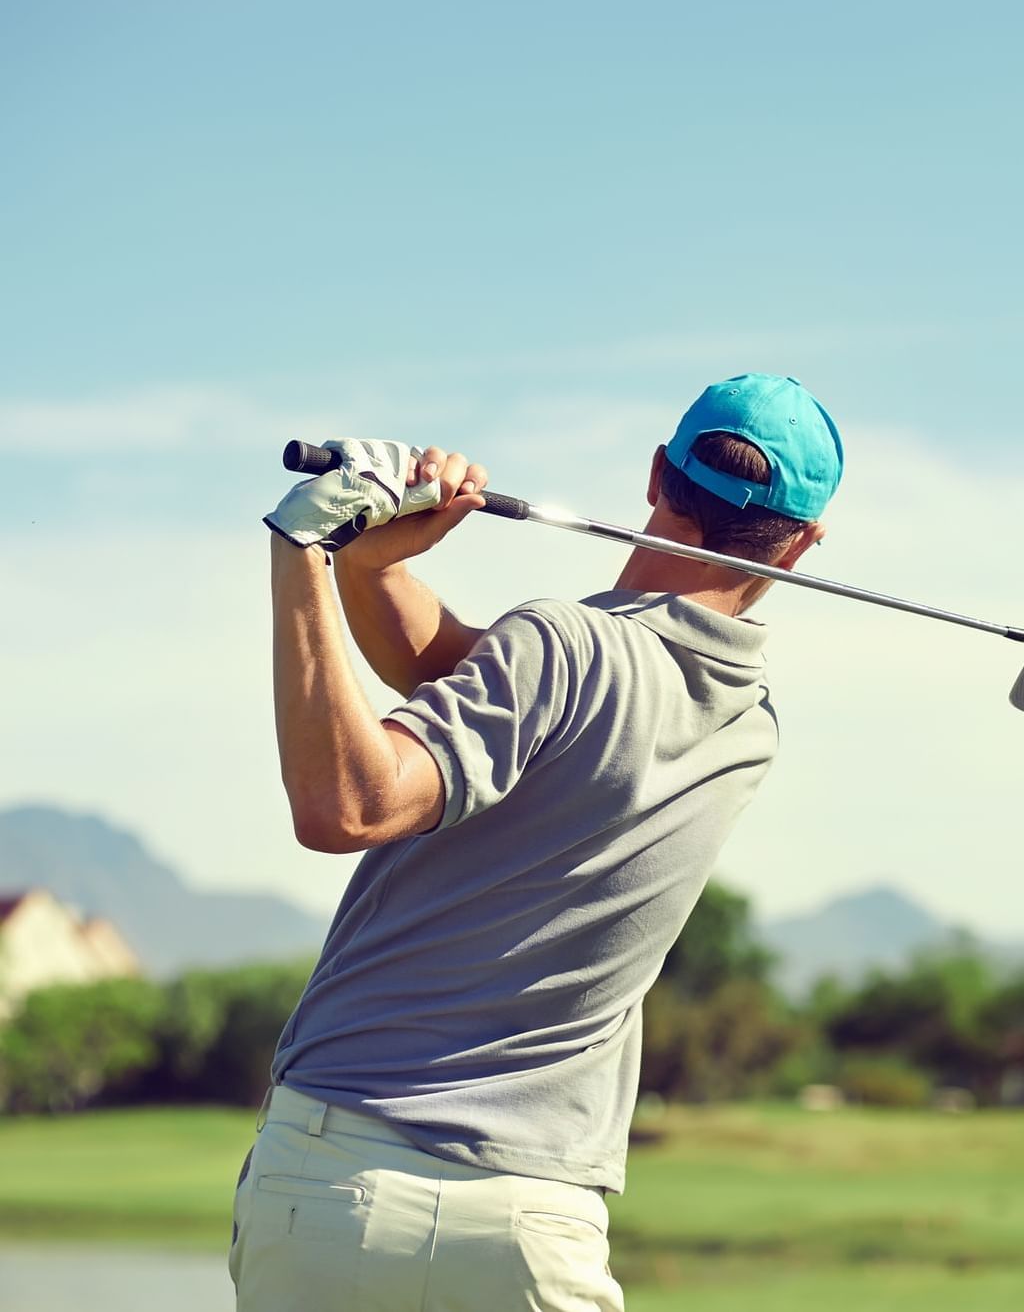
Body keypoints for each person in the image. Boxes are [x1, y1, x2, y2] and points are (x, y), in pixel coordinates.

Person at [234, 373, 843, 1312]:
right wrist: (375, 570)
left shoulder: (561, 645)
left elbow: (346, 804)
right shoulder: (748, 721)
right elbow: (473, 685)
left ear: (655, 475)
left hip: (341, 1175)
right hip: (536, 1224)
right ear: (802, 546)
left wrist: (308, 549)